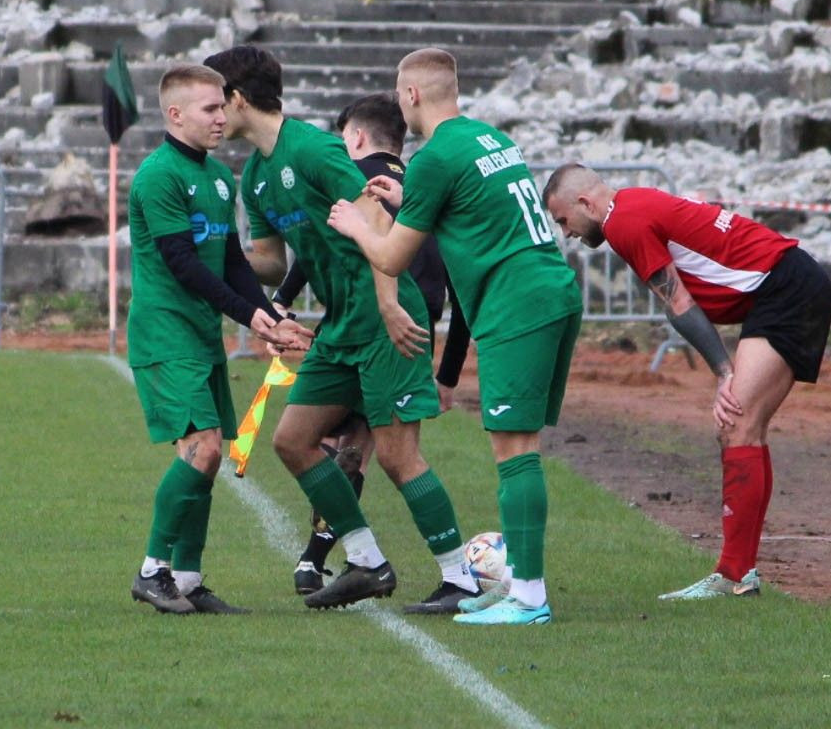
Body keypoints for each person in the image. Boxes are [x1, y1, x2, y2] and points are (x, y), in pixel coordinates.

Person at [204, 45, 479, 614]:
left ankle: (462, 579)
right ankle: (367, 562)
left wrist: (385, 303)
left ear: (236, 99)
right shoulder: (255, 175)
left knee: (398, 456)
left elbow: (378, 218)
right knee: (293, 441)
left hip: (384, 311)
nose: (211, 114)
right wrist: (208, 250)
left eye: (214, 102)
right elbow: (271, 261)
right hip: (341, 322)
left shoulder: (313, 148)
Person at [327, 48, 584, 626]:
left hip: (516, 302)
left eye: (398, 93)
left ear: (411, 95)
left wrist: (353, 225)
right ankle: (520, 585)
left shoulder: (436, 155)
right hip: (552, 288)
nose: (398, 103)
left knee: (515, 451)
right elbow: (469, 209)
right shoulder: (488, 139)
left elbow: (391, 259)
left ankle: (529, 598)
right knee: (520, 447)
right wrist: (408, 200)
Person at [540, 163, 831, 600]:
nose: (567, 233)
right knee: (741, 426)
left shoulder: (623, 221)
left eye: (564, 220)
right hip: (784, 286)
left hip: (786, 289)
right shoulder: (633, 204)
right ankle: (738, 574)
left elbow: (677, 302)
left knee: (737, 421)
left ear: (586, 203)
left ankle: (735, 575)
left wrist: (723, 372)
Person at [127, 63, 314, 616]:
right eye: (209, 108)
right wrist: (250, 317)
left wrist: (268, 314)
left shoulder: (215, 177)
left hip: (200, 336)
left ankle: (186, 578)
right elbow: (182, 263)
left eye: (222, 105)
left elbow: (232, 262)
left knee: (208, 455)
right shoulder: (158, 176)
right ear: (175, 114)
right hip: (165, 334)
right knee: (204, 449)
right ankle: (152, 570)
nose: (221, 115)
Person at [270, 93, 472, 596]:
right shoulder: (421, 187)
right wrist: (447, 373)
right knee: (319, 443)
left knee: (386, 455)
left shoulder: (358, 183)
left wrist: (282, 300)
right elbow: (461, 288)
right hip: (388, 332)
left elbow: (333, 247)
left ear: (355, 137)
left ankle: (457, 577)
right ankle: (344, 560)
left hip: (383, 330)